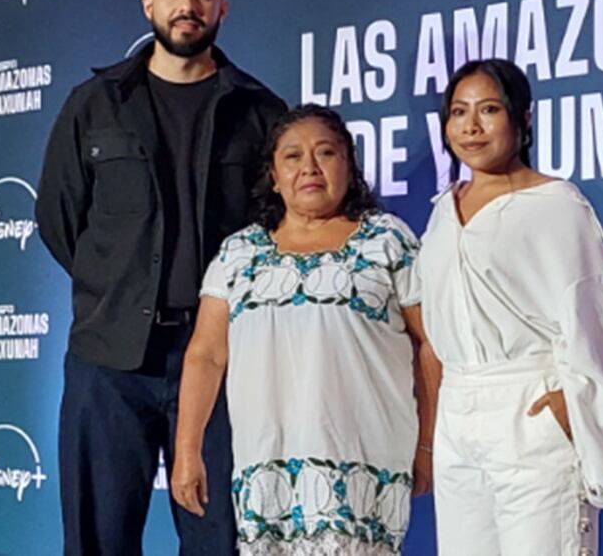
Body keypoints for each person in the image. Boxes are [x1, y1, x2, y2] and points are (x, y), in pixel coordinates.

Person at [36, 0, 286, 554]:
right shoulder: (94, 106)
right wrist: (121, 286)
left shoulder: (260, 113)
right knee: (98, 540)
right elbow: (58, 220)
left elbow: (274, 234)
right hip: (108, 358)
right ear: (148, 4)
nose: (188, 5)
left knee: (218, 540)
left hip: (221, 361)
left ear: (223, 7)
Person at [171, 105, 439, 555]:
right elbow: (206, 355)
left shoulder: (388, 241)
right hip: (267, 473)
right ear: (273, 176)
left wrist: (428, 445)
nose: (309, 168)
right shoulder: (240, 253)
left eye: (326, 153)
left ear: (349, 165)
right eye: (292, 157)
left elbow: (430, 344)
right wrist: (187, 450)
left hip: (364, 470)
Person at [418, 59, 603, 555]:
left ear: (522, 118)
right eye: (458, 112)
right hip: (459, 415)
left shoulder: (556, 204)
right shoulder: (442, 210)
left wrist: (571, 401)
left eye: (488, 109)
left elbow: (595, 314)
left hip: (529, 410)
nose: (470, 126)